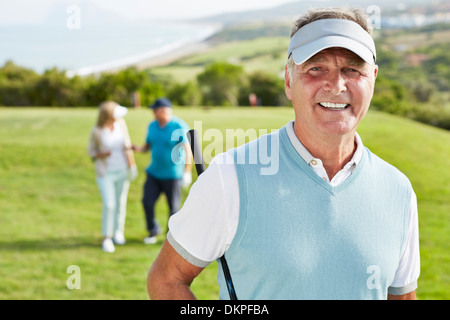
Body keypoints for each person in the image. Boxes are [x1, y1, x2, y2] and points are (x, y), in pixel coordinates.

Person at [147, 7, 420, 300]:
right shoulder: (230, 177)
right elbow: (166, 280)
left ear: (373, 79)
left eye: (352, 69)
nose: (336, 85)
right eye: (316, 68)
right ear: (289, 81)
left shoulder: (399, 190)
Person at [133, 98, 192, 244]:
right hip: (154, 173)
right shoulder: (152, 126)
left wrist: (187, 172)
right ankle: (153, 230)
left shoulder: (178, 126)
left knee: (173, 208)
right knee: (147, 202)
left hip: (172, 175)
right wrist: (138, 149)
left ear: (164, 110)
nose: (153, 112)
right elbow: (148, 145)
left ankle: (170, 237)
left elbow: (188, 150)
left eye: (155, 110)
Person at [88, 101, 138, 253]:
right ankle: (107, 237)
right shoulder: (97, 131)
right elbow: (92, 152)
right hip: (106, 173)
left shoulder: (121, 124)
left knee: (120, 202)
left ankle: (118, 232)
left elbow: (127, 146)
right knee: (109, 204)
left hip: (122, 170)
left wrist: (132, 166)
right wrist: (102, 154)